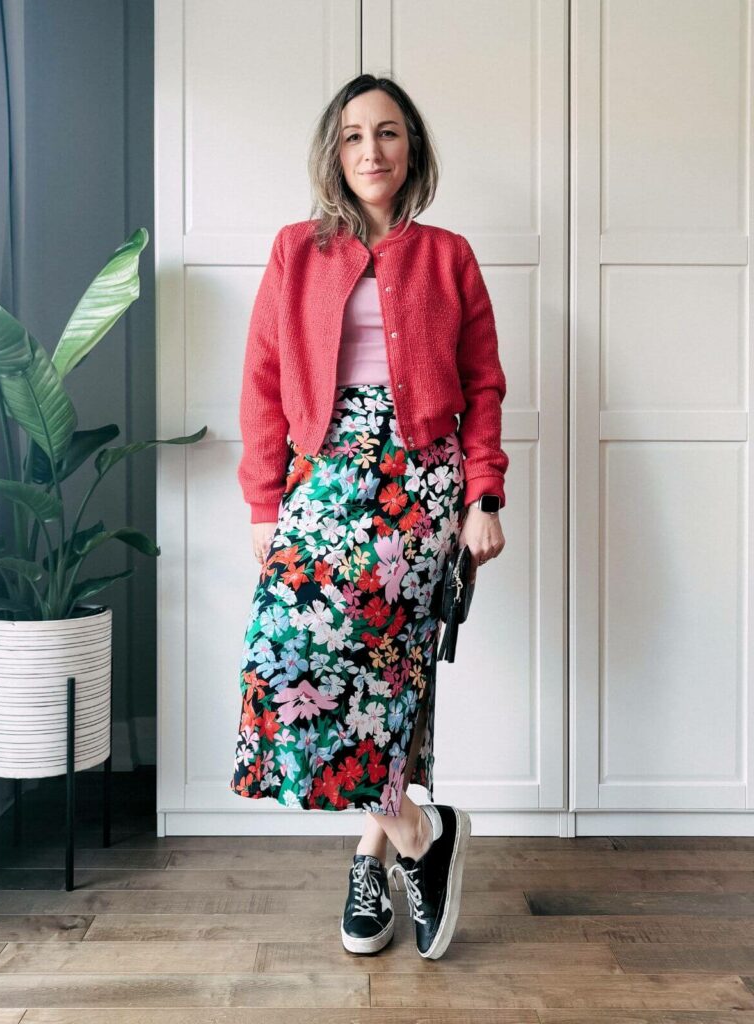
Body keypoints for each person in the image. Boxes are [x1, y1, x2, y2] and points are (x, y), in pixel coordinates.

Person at [229, 73, 508, 961]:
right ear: (334, 151)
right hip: (327, 475)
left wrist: (483, 495)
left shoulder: (449, 255)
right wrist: (265, 505)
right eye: (354, 136)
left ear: (412, 150)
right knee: (291, 656)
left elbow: (483, 388)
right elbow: (264, 385)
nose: (371, 151)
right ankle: (421, 840)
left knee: (391, 677)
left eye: (388, 134)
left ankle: (369, 857)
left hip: (420, 484)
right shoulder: (292, 251)